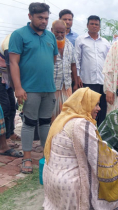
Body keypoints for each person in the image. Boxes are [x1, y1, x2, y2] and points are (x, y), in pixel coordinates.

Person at [43, 88, 118, 210]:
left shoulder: (63, 118)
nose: (99, 108)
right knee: (109, 167)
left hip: (51, 181)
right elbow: (97, 156)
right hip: (70, 185)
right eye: (95, 104)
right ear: (84, 104)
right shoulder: (81, 124)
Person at [9, 2, 58, 173]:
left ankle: (47, 154)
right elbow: (13, 62)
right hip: (29, 89)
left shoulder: (50, 37)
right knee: (29, 123)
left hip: (49, 88)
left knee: (45, 123)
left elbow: (52, 61)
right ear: (30, 16)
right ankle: (27, 158)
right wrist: (18, 87)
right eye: (40, 18)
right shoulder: (19, 35)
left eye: (46, 18)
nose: (44, 21)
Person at [75, 15, 110, 126]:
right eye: (92, 24)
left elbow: (109, 60)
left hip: (103, 80)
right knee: (89, 107)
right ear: (87, 25)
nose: (94, 26)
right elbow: (77, 59)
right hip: (87, 80)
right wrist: (78, 76)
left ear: (99, 27)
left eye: (96, 24)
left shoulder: (105, 42)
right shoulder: (81, 40)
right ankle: (88, 129)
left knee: (102, 108)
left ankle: (100, 132)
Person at [51, 20, 77, 121]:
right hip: (52, 85)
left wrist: (74, 83)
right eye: (57, 32)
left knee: (66, 115)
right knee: (51, 115)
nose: (60, 34)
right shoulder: (48, 44)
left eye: (63, 32)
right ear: (52, 30)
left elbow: (73, 64)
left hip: (66, 86)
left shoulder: (70, 45)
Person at [1, 34, 21, 148]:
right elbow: (12, 66)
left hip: (6, 79)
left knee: (12, 107)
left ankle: (10, 133)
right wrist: (17, 88)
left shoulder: (16, 40)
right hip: (2, 78)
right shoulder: (9, 46)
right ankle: (4, 140)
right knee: (5, 108)